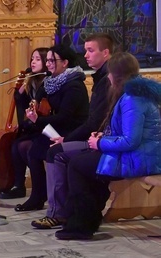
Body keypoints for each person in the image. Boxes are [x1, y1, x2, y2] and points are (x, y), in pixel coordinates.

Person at [55, 52, 161, 240]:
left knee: (78, 166)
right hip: (140, 154)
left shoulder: (132, 99)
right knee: (82, 163)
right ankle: (86, 220)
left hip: (141, 159)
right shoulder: (134, 94)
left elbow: (131, 141)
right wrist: (104, 136)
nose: (108, 77)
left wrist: (100, 143)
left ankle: (82, 225)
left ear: (116, 75)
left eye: (110, 73)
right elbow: (130, 134)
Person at [31, 33, 113, 229]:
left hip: (101, 139)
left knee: (56, 152)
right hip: (95, 136)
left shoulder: (102, 81)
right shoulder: (100, 77)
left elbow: (91, 121)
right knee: (35, 147)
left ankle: (59, 213)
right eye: (85, 50)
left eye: (91, 50)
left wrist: (66, 139)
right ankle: (57, 208)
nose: (85, 55)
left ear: (106, 53)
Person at [13, 45, 90, 211]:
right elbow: (37, 100)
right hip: (55, 128)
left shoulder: (73, 85)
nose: (48, 64)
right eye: (46, 60)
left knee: (37, 148)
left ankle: (49, 198)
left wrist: (38, 120)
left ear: (65, 62)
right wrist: (31, 108)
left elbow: (65, 117)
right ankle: (37, 195)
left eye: (51, 60)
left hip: (71, 131)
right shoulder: (50, 81)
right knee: (30, 148)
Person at [0, 47, 49, 199]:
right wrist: (21, 89)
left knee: (26, 147)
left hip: (45, 127)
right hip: (33, 125)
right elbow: (22, 105)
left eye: (37, 59)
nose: (33, 62)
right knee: (15, 145)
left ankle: (41, 187)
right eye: (32, 59)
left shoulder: (48, 82)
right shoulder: (32, 81)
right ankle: (18, 185)